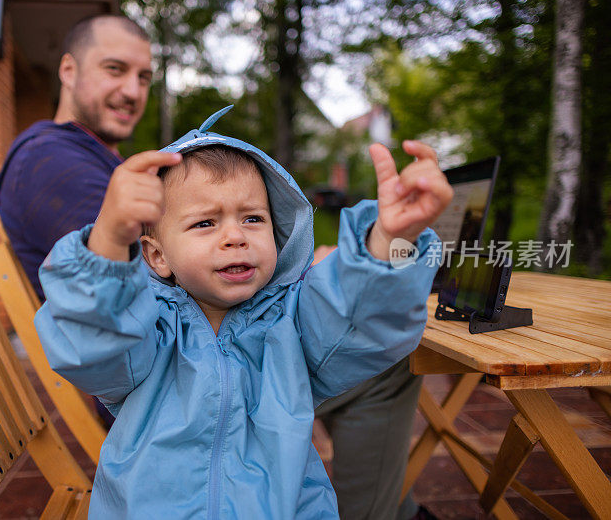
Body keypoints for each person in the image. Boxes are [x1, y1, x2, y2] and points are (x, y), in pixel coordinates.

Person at [33, 107, 454, 518]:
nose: (235, 236)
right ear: (157, 257)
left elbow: (361, 321)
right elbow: (92, 344)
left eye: (253, 218)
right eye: (205, 223)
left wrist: (395, 240)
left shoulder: (294, 322)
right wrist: (108, 237)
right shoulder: (144, 331)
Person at [0, 14, 153, 301]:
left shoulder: (93, 156)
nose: (133, 92)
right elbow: (135, 285)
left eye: (144, 78)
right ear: (68, 70)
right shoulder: (49, 161)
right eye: (115, 69)